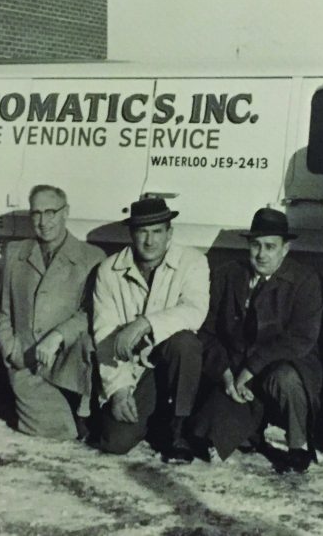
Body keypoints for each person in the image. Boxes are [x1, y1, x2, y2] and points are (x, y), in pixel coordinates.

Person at [191, 208, 323, 474]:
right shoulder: (227, 275)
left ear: (285, 249)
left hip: (283, 367)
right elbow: (207, 330)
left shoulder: (304, 280)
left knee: (286, 379)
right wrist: (226, 374)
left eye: (270, 247)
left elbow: (300, 338)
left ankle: (298, 446)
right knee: (204, 437)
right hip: (236, 369)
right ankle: (252, 430)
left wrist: (251, 367)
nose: (261, 254)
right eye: (255, 246)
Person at [92, 197, 209, 462]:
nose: (150, 240)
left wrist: (145, 323)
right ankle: (153, 418)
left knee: (185, 343)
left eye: (157, 231)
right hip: (136, 371)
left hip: (176, 364)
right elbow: (104, 334)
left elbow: (194, 311)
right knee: (115, 442)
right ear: (131, 234)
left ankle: (178, 431)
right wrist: (119, 391)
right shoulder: (109, 271)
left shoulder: (193, 262)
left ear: (170, 233)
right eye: (143, 231)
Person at [0, 185, 105, 439]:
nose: (44, 222)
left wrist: (59, 334)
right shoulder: (15, 253)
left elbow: (91, 313)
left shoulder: (91, 257)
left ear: (66, 212)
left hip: (69, 361)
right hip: (26, 362)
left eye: (51, 212)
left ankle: (76, 402)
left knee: (79, 430)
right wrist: (11, 350)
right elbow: (3, 312)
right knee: (60, 430)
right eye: (36, 213)